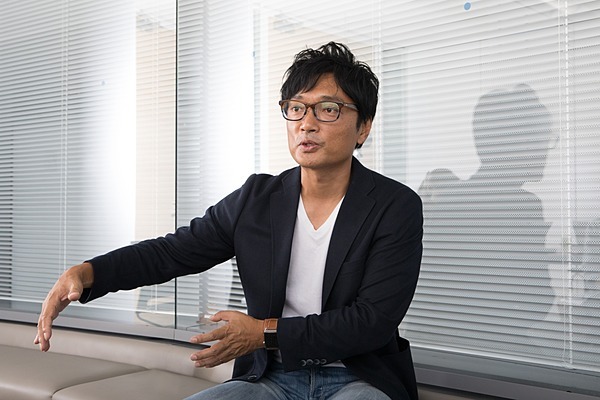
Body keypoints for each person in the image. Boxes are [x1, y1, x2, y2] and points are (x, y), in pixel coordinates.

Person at [34, 42, 423, 400]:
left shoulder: (394, 206)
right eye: (296, 108)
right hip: (271, 378)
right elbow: (171, 252)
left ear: (363, 126)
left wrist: (263, 333)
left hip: (357, 380)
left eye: (328, 109)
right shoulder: (257, 199)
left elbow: (371, 321)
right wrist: (88, 274)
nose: (306, 123)